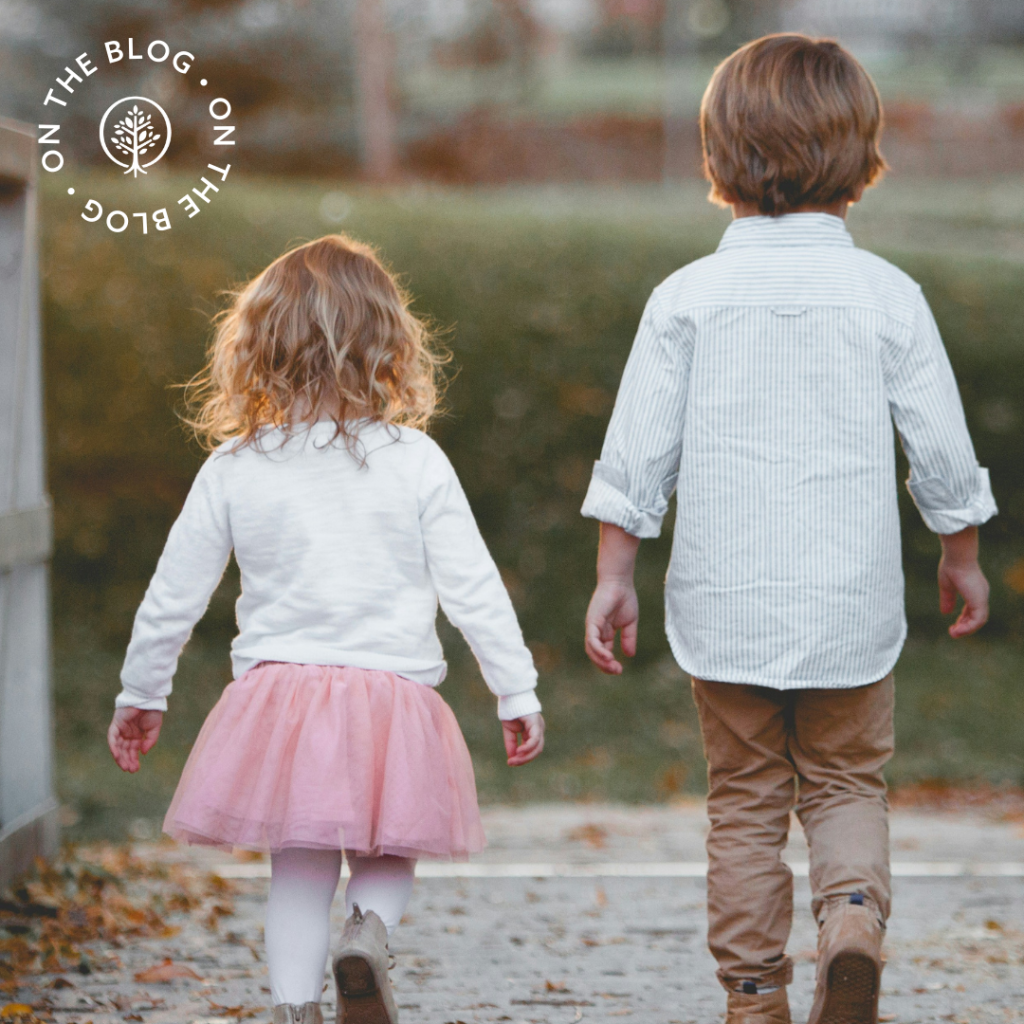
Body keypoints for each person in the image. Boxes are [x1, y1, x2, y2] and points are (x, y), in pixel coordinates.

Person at [581, 34, 995, 1024]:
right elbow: (939, 446)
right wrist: (960, 553)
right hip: (848, 608)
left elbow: (636, 455)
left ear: (719, 156)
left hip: (724, 610)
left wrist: (614, 573)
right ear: (859, 160)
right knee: (848, 779)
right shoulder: (887, 296)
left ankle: (754, 995)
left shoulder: (684, 299)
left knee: (745, 803)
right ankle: (850, 917)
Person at [107, 235, 545, 1024]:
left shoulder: (236, 467)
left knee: (297, 870)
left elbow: (173, 594)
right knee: (386, 849)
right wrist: (516, 690)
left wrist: (143, 690)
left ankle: (292, 1009)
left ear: (258, 348)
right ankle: (368, 937)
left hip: (281, 706)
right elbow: (473, 589)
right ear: (388, 347)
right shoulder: (415, 461)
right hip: (394, 698)